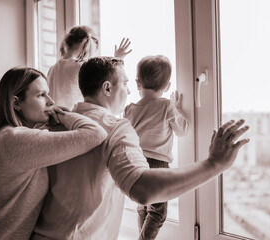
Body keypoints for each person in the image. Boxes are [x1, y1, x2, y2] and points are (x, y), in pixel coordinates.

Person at [32, 57, 249, 240]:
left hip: (40, 234)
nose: (128, 90)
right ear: (107, 88)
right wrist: (213, 164)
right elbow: (142, 190)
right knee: (155, 211)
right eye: (124, 84)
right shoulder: (115, 128)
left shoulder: (57, 121)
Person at [0, 67, 107, 240]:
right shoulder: (16, 140)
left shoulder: (3, 135)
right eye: (41, 95)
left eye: (48, 94)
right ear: (16, 103)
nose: (51, 101)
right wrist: (63, 116)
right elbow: (96, 134)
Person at [123, 55, 189, 239]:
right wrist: (179, 108)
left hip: (136, 162)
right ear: (167, 87)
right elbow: (183, 130)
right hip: (158, 165)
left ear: (137, 83)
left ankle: (141, 236)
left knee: (142, 206)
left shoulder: (129, 109)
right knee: (158, 212)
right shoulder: (166, 106)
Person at [47, 25, 132, 110]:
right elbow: (106, 75)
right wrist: (117, 58)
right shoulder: (79, 66)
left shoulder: (53, 68)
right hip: (71, 117)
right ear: (91, 44)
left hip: (55, 116)